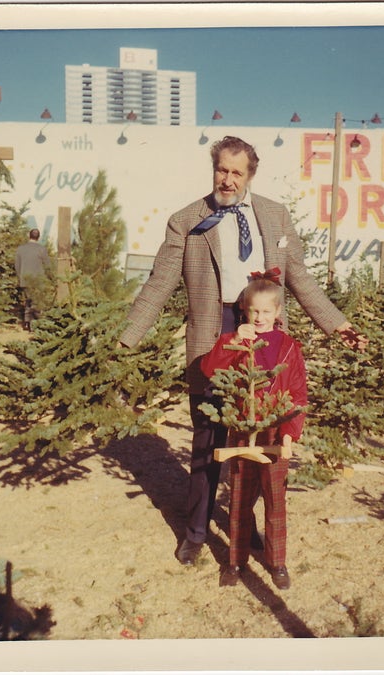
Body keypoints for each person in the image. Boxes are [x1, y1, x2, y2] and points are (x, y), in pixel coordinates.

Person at [118, 136, 367, 567]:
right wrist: (128, 336)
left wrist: (338, 324)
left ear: (250, 175)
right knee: (208, 435)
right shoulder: (186, 220)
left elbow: (300, 279)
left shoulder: (276, 215)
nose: (228, 179)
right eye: (221, 170)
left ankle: (241, 524)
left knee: (257, 436)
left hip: (265, 335)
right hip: (214, 336)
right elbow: (160, 282)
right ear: (213, 169)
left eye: (237, 172)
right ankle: (196, 530)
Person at [200, 278, 306, 590]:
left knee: (275, 502)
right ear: (245, 312)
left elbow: (298, 392)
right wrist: (229, 340)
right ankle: (235, 561)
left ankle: (277, 562)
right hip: (243, 430)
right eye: (253, 311)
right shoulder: (239, 341)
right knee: (239, 500)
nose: (259, 318)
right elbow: (209, 369)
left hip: (274, 432)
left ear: (277, 312)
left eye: (265, 311)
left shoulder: (289, 347)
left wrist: (288, 435)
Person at [14, 228, 51, 330]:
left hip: (25, 280)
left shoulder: (20, 249)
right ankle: (35, 324)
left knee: (28, 301)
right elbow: (48, 265)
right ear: (38, 237)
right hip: (38, 280)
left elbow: (17, 266)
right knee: (36, 302)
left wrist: (20, 277)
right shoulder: (41, 249)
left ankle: (27, 322)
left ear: (29, 236)